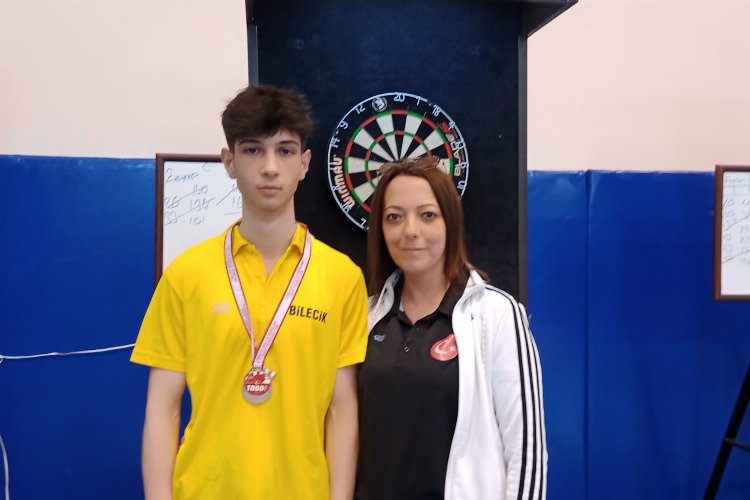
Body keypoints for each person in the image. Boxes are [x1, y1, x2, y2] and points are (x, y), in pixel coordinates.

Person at [131, 84, 368, 500]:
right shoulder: (186, 274)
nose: (270, 167)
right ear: (229, 162)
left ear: (305, 163)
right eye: (253, 150)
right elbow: (163, 408)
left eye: (285, 150)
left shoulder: (342, 277)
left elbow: (342, 412)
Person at [356, 156, 547, 500]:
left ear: (450, 223)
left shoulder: (495, 314)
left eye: (427, 215)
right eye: (394, 217)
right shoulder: (365, 316)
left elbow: (527, 452)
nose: (410, 230)